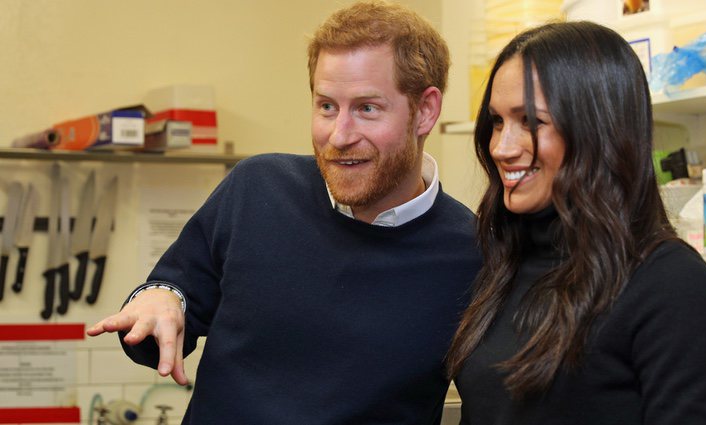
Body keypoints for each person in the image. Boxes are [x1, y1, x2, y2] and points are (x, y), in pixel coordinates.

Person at [86, 1, 481, 424]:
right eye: (327, 106)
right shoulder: (256, 187)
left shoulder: (474, 254)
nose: (339, 135)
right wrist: (158, 299)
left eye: (367, 108)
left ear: (425, 111)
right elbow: (162, 314)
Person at [445, 21, 706, 425]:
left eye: (531, 121)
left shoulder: (669, 282)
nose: (500, 147)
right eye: (497, 121)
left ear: (599, 129)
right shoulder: (502, 263)